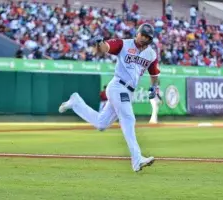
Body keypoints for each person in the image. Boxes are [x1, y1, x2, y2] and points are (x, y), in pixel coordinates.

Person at [58, 23, 160, 172]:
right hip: (118, 86)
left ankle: (76, 102)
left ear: (150, 40)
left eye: (147, 37)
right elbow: (106, 48)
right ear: (137, 33)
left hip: (128, 91)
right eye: (142, 34)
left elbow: (154, 73)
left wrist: (154, 86)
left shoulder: (151, 54)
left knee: (101, 124)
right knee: (129, 119)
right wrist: (100, 42)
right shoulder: (124, 44)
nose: (143, 38)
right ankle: (137, 160)